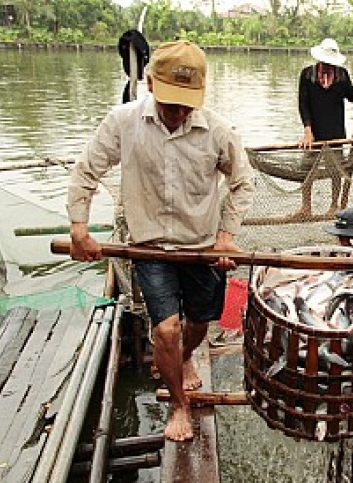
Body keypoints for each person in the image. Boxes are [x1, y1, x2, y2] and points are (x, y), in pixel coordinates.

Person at [66, 41, 255, 442]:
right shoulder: (123, 122)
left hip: (201, 247)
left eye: (188, 103)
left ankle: (185, 359)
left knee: (198, 324)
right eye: (171, 101)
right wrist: (79, 228)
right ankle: (178, 404)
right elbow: (86, 170)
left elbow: (242, 182)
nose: (179, 112)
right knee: (166, 330)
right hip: (148, 248)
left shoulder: (217, 131)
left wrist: (225, 237)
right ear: (150, 82)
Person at [295, 38, 353, 217]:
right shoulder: (307, 75)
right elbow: (303, 104)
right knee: (306, 170)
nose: (327, 65)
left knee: (336, 172)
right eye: (325, 62)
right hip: (313, 132)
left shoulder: (341, 75)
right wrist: (307, 131)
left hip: (335, 133)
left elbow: (351, 96)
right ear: (319, 59)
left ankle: (334, 206)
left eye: (330, 62)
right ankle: (306, 208)